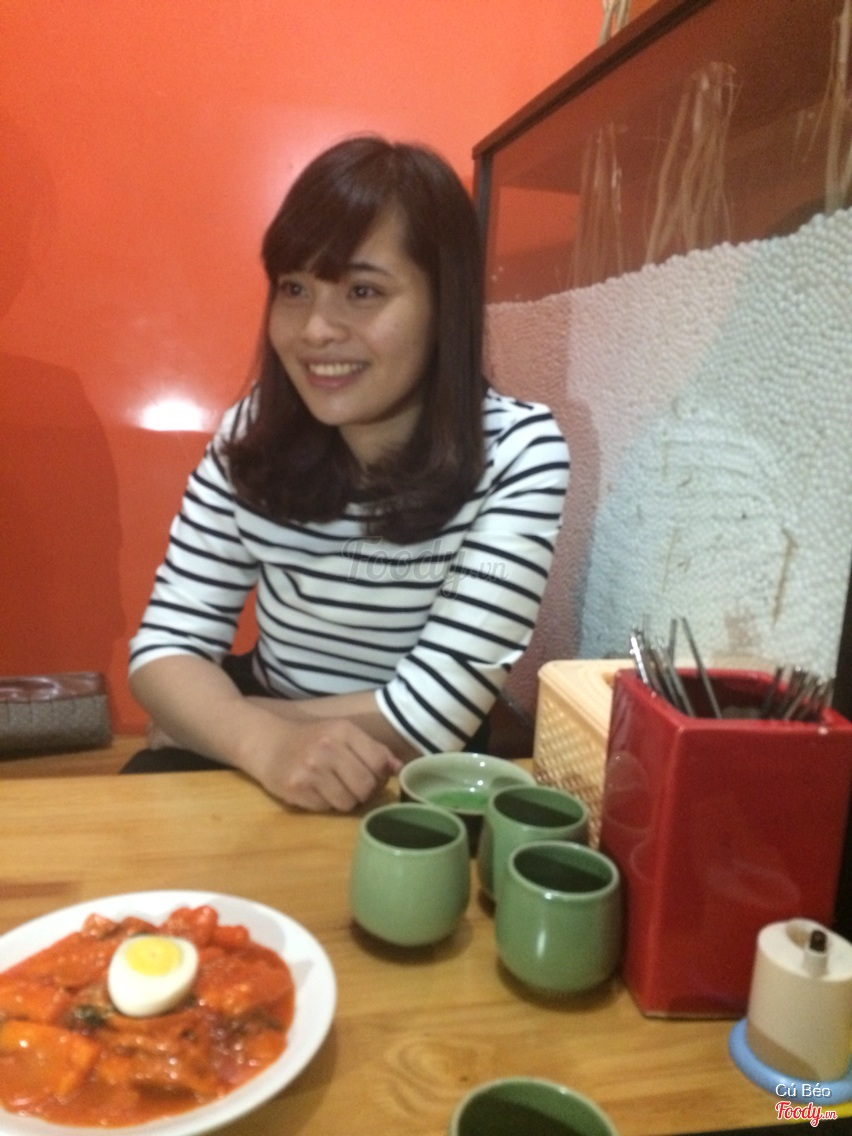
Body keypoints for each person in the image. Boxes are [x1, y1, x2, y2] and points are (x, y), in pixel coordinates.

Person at [126, 135, 569, 812]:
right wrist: (261, 744)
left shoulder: (517, 452)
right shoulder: (251, 434)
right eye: (294, 289)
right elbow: (165, 646)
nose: (315, 330)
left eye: (362, 291)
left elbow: (436, 712)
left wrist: (215, 724)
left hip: (423, 765)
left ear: (444, 302)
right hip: (263, 729)